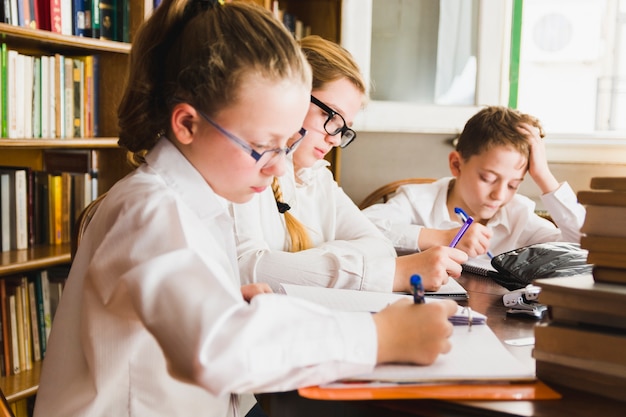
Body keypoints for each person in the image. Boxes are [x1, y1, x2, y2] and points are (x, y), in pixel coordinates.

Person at [33, 2, 459, 417]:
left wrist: (227, 301)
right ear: (186, 124)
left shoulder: (201, 202)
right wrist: (380, 336)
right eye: (261, 147)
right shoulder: (148, 210)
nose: (277, 166)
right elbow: (215, 348)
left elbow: (182, 316)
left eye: (284, 146)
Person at [230, 35, 467, 294]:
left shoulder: (316, 176)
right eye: (329, 114)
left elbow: (380, 246)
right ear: (290, 96)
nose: (333, 138)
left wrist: (306, 265)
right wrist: (384, 272)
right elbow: (246, 267)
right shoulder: (246, 166)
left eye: (344, 128)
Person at [362, 105, 586, 259]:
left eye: (512, 185)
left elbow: (583, 246)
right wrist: (443, 237)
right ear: (457, 165)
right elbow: (361, 227)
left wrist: (543, 176)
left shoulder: (518, 215)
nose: (499, 195)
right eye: (488, 178)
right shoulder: (417, 201)